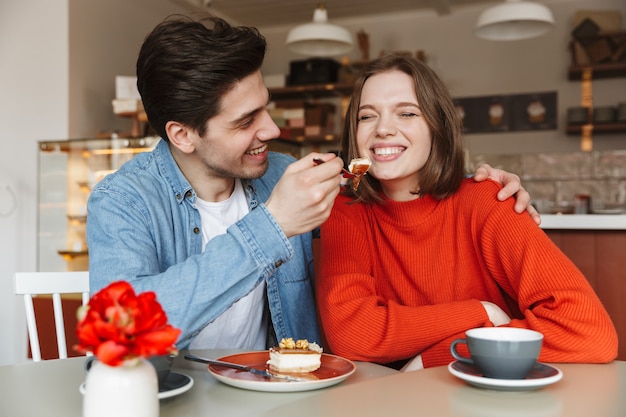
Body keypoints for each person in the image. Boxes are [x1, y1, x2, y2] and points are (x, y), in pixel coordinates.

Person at [87, 15, 536, 351]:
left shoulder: (283, 174)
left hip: (283, 393)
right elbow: (121, 327)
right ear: (182, 134)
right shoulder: (121, 202)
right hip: (169, 396)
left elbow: (386, 193)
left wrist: (472, 183)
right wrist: (272, 226)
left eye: (265, 107)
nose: (272, 130)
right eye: (246, 121)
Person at [316, 54, 618, 371]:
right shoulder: (345, 207)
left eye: (406, 113)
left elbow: (588, 331)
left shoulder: (488, 199)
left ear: (437, 126)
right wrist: (481, 313)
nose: (384, 129)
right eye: (367, 117)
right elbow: (352, 334)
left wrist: (437, 356)